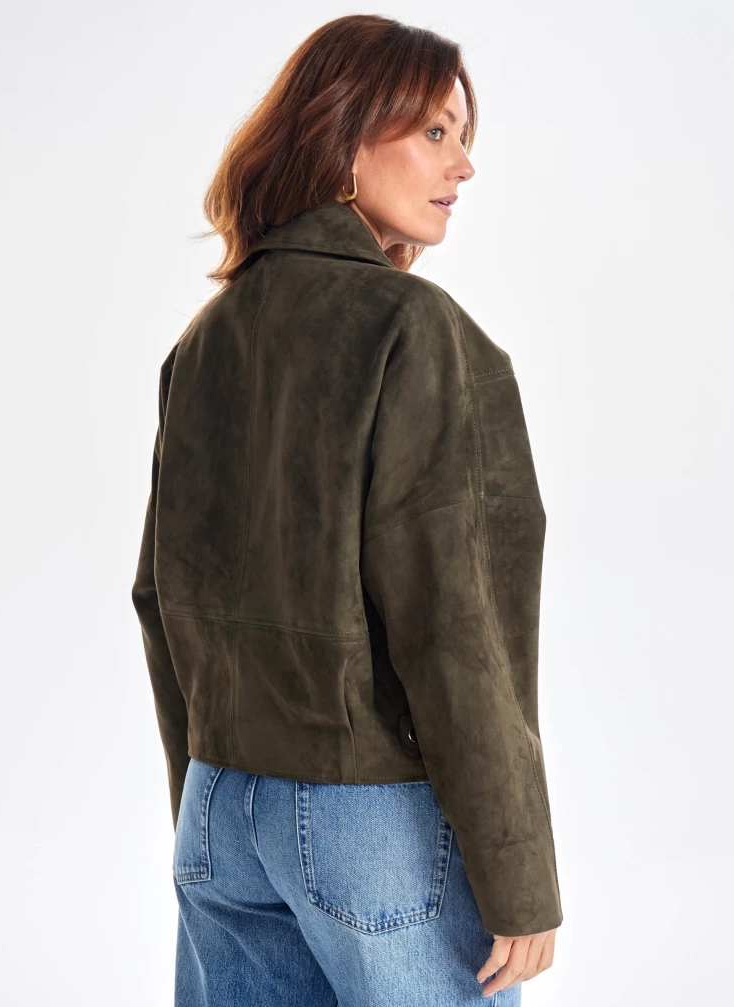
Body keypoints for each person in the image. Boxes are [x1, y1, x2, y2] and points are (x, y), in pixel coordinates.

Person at [131, 13, 564, 1006]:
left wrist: (206, 799)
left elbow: (161, 594)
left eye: (465, 137)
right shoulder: (414, 329)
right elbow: (451, 622)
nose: (463, 165)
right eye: (435, 131)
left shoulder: (208, 335)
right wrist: (519, 874)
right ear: (344, 135)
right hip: (368, 819)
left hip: (219, 801)